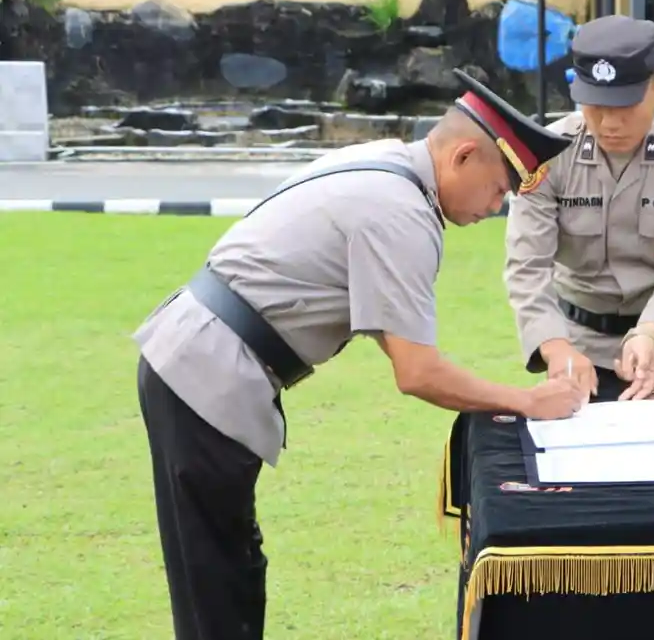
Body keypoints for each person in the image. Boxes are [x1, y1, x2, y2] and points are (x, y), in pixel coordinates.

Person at [132, 68, 587, 640]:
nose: (497, 206)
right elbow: (416, 371)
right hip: (206, 372)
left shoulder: (387, 165)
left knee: (228, 566)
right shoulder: (401, 213)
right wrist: (527, 401)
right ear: (464, 155)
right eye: (500, 188)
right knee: (215, 580)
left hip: (198, 354)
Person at [504, 15, 654, 402]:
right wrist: (555, 347)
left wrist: (650, 332)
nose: (609, 123)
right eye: (595, 106)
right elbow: (527, 266)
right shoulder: (547, 154)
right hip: (576, 350)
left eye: (625, 107)